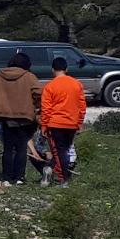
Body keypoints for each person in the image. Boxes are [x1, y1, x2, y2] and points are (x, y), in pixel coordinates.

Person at [0, 50, 42, 184]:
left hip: (5, 117)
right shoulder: (29, 76)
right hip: (24, 117)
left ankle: (6, 177)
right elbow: (39, 93)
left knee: (8, 148)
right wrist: (34, 104)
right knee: (21, 148)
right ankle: (19, 177)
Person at [40, 57, 87, 185]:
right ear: (66, 69)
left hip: (55, 123)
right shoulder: (77, 84)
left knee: (59, 152)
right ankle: (58, 175)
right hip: (71, 123)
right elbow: (82, 106)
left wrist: (44, 126)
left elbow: (46, 109)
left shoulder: (50, 86)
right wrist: (79, 122)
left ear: (52, 69)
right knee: (65, 150)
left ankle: (63, 179)